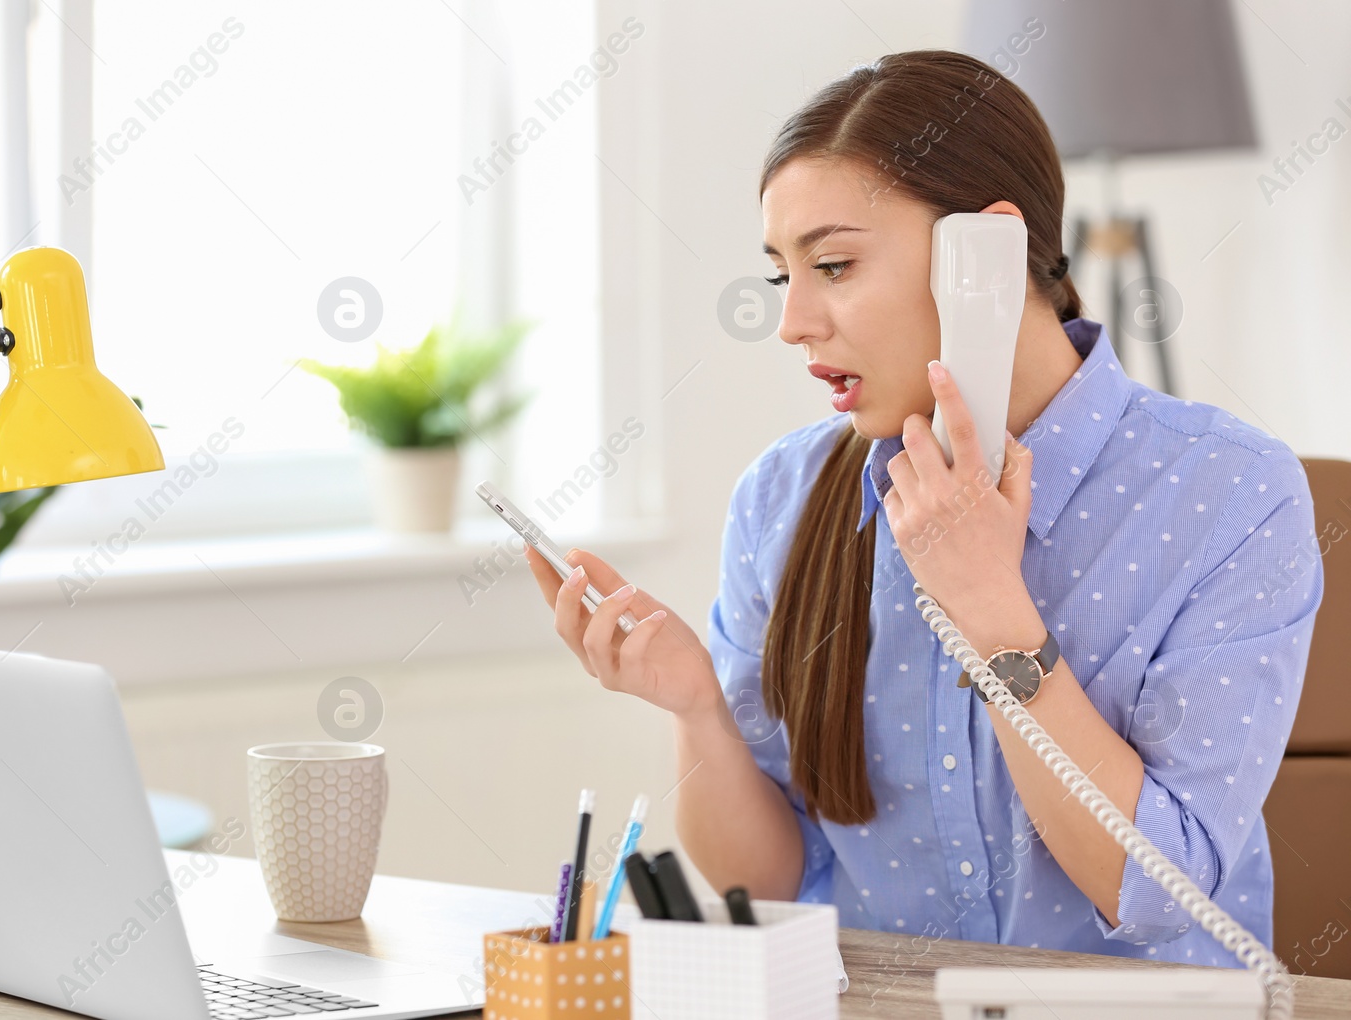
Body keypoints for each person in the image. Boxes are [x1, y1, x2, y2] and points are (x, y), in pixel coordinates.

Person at [525, 48, 1323, 967]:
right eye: (785, 276)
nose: (792, 323)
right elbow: (772, 884)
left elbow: (1155, 893)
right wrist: (697, 710)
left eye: (833, 265)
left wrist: (990, 611)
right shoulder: (780, 501)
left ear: (982, 256)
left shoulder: (1229, 494)